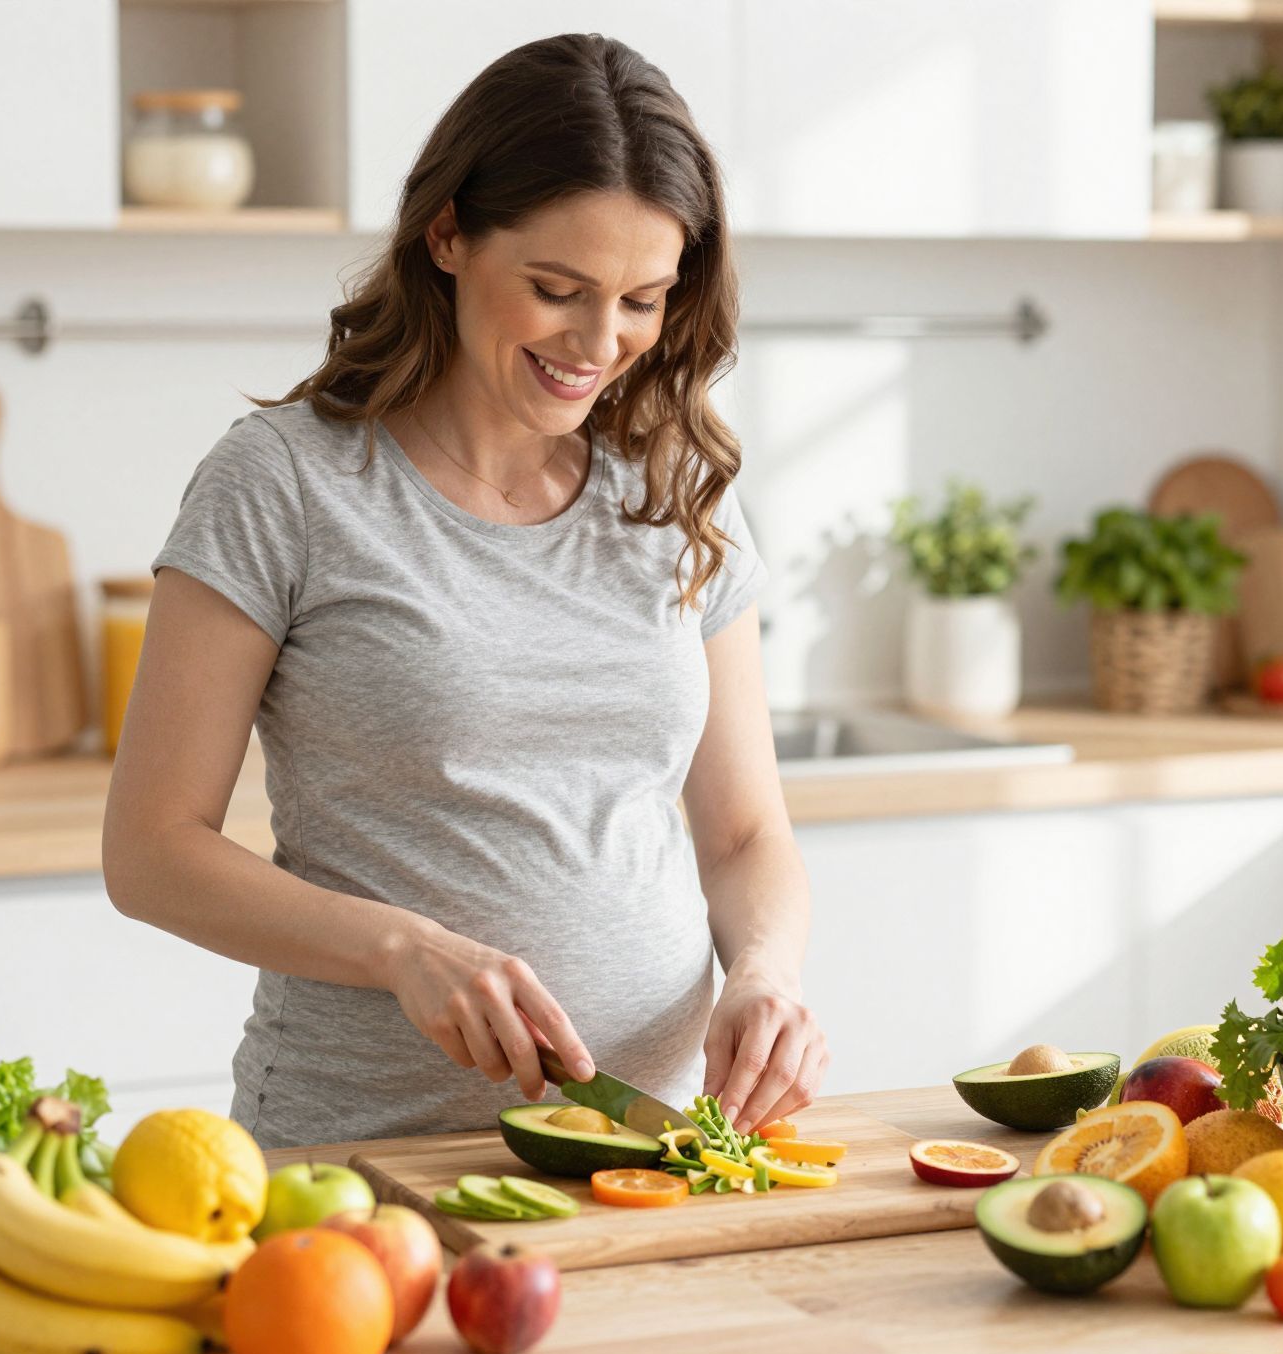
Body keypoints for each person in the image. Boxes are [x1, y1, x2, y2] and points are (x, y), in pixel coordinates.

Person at [103, 33, 823, 1148]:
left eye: (642, 300)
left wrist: (765, 973)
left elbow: (741, 836)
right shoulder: (286, 483)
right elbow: (151, 851)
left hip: (647, 1154)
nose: (599, 343)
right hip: (362, 1155)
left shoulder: (675, 489)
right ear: (447, 235)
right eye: (556, 290)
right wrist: (403, 949)